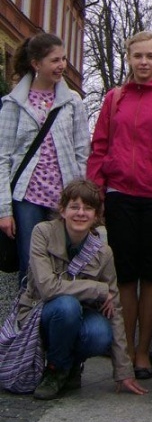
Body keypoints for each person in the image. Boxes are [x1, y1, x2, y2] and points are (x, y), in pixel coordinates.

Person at [87, 30, 152, 380]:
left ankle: (144, 351)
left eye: (149, 56)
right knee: (125, 276)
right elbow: (99, 147)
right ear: (129, 58)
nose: (143, 62)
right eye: (137, 56)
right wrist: (97, 193)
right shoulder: (114, 99)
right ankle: (126, 350)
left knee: (151, 276)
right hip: (120, 196)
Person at [16, 179, 147, 400]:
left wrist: (123, 371)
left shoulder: (103, 252)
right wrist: (97, 288)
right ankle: (55, 370)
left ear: (96, 216)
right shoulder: (42, 233)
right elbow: (48, 288)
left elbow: (115, 309)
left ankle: (71, 365)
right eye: (74, 207)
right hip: (40, 313)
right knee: (66, 306)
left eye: (87, 208)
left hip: (80, 316)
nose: (80, 213)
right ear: (62, 210)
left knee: (100, 332)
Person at [0, 33, 90, 281]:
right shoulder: (14, 103)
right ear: (36, 64)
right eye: (55, 60)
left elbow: (82, 152)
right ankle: (27, 307)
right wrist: (4, 211)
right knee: (31, 266)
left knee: (65, 264)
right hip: (27, 198)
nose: (62, 65)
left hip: (64, 198)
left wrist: (80, 197)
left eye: (63, 59)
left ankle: (61, 307)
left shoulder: (72, 102)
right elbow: (2, 158)